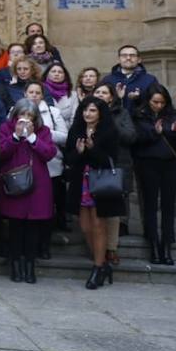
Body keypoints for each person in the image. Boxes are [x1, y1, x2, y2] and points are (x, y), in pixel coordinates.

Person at [64, 98, 124, 289]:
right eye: (85, 110)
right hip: (80, 182)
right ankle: (103, 263)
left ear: (100, 113)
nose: (87, 114)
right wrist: (80, 151)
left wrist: (93, 149)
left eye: (92, 111)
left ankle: (98, 267)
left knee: (99, 225)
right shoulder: (76, 130)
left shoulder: (109, 132)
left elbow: (111, 161)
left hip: (101, 183)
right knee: (85, 226)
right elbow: (69, 158)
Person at [0, 99, 59, 284]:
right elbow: (0, 153)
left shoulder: (44, 131)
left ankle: (30, 266)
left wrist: (33, 138)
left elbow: (49, 153)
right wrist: (15, 137)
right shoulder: (5, 129)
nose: (25, 120)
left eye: (29, 116)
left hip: (37, 184)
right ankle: (16, 265)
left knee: (33, 227)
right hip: (14, 183)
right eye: (21, 116)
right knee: (15, 226)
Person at [131, 83, 176, 266]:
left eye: (162, 102)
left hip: (170, 165)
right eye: (155, 102)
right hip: (147, 164)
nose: (158, 106)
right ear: (148, 100)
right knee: (149, 205)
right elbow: (134, 140)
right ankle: (153, 245)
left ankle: (167, 245)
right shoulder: (139, 115)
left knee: (168, 206)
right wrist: (154, 132)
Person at [92, 83, 137, 267]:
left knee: (112, 211)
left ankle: (111, 249)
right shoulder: (87, 111)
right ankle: (95, 248)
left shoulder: (121, 113)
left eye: (104, 93)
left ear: (112, 97)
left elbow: (130, 136)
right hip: (93, 166)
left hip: (114, 165)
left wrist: (110, 124)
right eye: (97, 92)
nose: (101, 95)